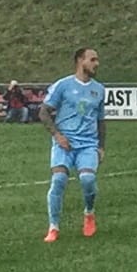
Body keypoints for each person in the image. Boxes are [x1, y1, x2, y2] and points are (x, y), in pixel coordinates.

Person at [42, 47, 107, 241]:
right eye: (92, 59)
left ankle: (89, 213)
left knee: (87, 179)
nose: (97, 64)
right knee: (58, 180)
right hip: (65, 143)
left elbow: (100, 121)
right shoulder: (63, 85)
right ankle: (53, 227)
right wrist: (57, 135)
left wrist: (101, 147)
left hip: (88, 144)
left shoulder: (99, 89)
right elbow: (43, 112)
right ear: (80, 61)